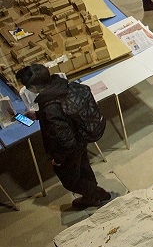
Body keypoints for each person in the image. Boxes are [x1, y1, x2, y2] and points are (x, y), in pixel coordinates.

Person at [19, 64, 112, 208]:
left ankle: (96, 195)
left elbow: (66, 142)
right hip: (81, 136)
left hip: (71, 147)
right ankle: (92, 191)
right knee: (83, 167)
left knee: (71, 180)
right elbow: (66, 111)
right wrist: (39, 115)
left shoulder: (49, 106)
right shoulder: (66, 87)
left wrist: (58, 160)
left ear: (33, 88)